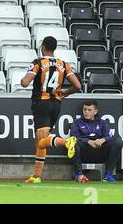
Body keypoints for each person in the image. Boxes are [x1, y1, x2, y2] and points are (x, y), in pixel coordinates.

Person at [21, 36, 82, 183]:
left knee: (41, 140)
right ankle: (36, 176)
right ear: (54, 48)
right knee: (41, 140)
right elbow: (78, 86)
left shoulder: (38, 63)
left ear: (43, 47)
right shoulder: (64, 64)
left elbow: (25, 83)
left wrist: (24, 78)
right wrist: (65, 93)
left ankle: (66, 142)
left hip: (41, 103)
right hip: (56, 104)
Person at [70, 100, 123, 182]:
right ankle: (79, 174)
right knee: (72, 142)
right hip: (84, 152)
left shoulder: (102, 122)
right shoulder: (77, 123)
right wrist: (88, 141)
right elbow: (74, 137)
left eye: (89, 110)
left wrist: (102, 140)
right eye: (85, 109)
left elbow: (109, 136)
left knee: (118, 141)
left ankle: (108, 174)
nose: (86, 112)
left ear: (95, 111)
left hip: (100, 151)